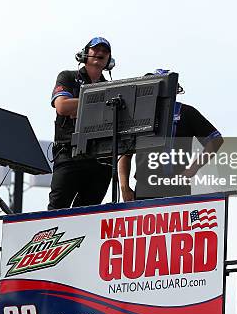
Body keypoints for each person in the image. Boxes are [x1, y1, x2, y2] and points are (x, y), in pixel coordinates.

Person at [118, 70, 223, 201]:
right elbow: (125, 153)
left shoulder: (186, 112)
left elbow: (215, 139)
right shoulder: (137, 116)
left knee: (176, 222)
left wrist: (193, 169)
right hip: (145, 186)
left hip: (177, 185)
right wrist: (124, 187)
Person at [48, 37, 115, 210]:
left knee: (88, 213)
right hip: (68, 154)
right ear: (85, 53)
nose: (100, 53)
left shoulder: (112, 88)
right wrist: (99, 101)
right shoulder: (68, 77)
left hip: (99, 160)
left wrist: (78, 106)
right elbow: (62, 106)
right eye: (96, 49)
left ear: (110, 60)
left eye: (105, 51)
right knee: (57, 210)